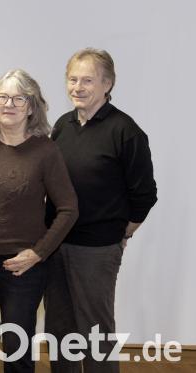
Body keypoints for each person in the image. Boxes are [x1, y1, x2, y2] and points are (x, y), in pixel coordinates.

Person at [0, 69, 79, 373]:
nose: (9, 104)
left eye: (18, 98)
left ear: (32, 105)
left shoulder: (45, 150)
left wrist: (38, 253)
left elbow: (68, 208)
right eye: (2, 97)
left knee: (16, 349)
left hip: (22, 267)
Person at [44, 48, 157, 373]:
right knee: (59, 329)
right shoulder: (63, 125)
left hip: (96, 249)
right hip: (55, 245)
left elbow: (145, 194)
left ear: (107, 84)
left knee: (95, 330)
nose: (77, 87)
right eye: (72, 79)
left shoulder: (125, 131)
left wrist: (122, 232)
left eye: (87, 80)